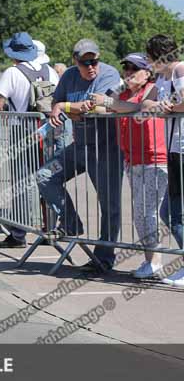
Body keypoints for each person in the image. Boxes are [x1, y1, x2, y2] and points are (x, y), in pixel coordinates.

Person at [36, 38, 122, 273]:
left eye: (94, 61)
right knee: (44, 175)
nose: (91, 66)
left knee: (109, 204)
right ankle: (71, 223)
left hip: (106, 149)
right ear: (75, 61)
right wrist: (63, 106)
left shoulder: (109, 74)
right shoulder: (69, 75)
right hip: (79, 146)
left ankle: (104, 257)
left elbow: (102, 107)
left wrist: (66, 107)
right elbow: (57, 102)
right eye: (85, 63)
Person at [89, 53, 167, 280]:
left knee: (150, 214)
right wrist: (93, 105)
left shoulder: (153, 89)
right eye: (126, 68)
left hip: (155, 158)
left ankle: (155, 261)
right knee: (142, 214)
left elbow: (139, 106)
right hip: (133, 159)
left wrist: (111, 103)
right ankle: (152, 260)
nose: (129, 72)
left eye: (135, 68)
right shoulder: (122, 93)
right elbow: (108, 106)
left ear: (147, 72)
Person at [0, 34, 60, 248]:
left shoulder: (13, 72)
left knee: (21, 183)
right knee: (48, 180)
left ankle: (18, 234)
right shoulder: (50, 71)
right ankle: (50, 229)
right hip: (48, 130)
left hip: (22, 130)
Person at [143, 34, 184, 286]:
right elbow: (148, 101)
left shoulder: (180, 69)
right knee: (171, 211)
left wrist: (165, 106)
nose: (148, 64)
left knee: (173, 213)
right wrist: (161, 104)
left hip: (182, 145)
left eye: (150, 58)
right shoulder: (163, 76)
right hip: (174, 147)